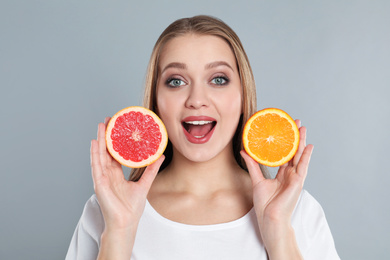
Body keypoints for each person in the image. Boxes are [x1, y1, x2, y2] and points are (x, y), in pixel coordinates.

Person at [66, 15, 340, 259]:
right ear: (156, 100)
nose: (197, 100)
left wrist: (277, 229)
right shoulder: (107, 210)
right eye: (176, 81)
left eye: (218, 79)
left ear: (243, 95)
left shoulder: (296, 211)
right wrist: (119, 230)